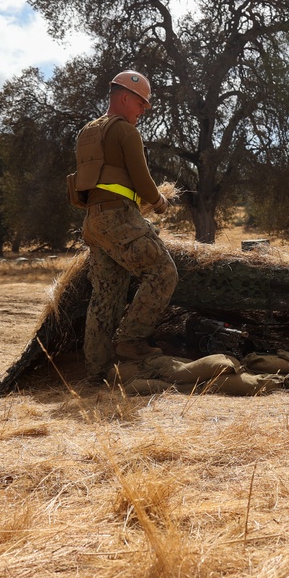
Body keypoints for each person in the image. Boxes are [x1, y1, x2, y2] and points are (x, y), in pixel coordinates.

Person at [78, 70, 179, 381]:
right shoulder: (125, 132)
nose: (143, 111)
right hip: (120, 218)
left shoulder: (87, 132)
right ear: (124, 98)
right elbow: (142, 180)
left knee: (106, 295)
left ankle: (96, 371)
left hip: (94, 222)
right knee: (163, 272)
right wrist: (160, 203)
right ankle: (131, 341)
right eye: (141, 104)